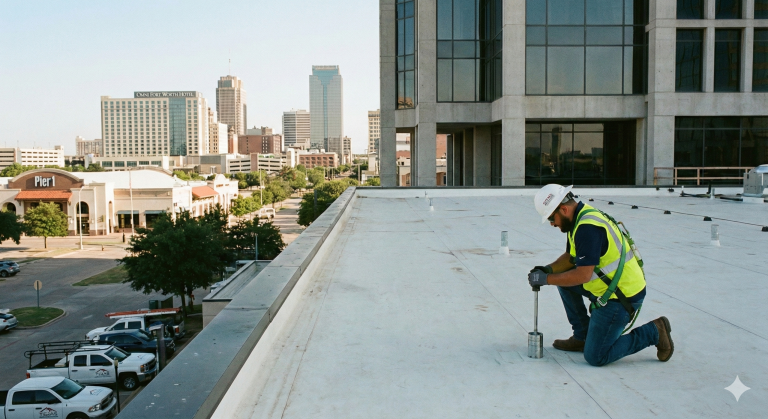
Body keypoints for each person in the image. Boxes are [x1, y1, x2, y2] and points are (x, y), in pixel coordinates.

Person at [527, 184, 673, 366]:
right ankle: (582, 336)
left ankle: (654, 332)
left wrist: (546, 280)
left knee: (596, 356)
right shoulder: (579, 218)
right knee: (562, 279)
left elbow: (582, 275)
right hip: (609, 287)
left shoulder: (587, 228)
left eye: (551, 218)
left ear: (563, 209)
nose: (552, 224)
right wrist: (548, 270)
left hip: (621, 296)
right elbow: (572, 258)